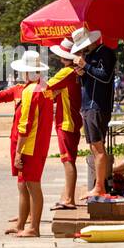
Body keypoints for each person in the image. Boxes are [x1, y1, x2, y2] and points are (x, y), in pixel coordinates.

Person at [0, 58, 53, 238]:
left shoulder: (32, 91)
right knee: (24, 184)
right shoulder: (44, 88)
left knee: (32, 185)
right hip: (35, 143)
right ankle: (22, 224)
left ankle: (33, 228)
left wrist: (18, 152)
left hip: (29, 145)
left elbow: (26, 124)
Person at [66, 26, 115, 199]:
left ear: (93, 40)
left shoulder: (106, 53)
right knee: (94, 148)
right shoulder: (91, 56)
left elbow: (105, 76)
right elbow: (91, 80)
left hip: (97, 106)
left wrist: (85, 66)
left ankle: (99, 187)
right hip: (88, 106)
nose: (83, 48)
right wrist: (82, 73)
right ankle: (98, 185)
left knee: (98, 148)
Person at [46, 36, 84, 211]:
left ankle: (69, 198)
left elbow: (46, 89)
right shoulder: (75, 72)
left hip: (66, 121)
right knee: (70, 159)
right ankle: (66, 196)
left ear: (63, 57)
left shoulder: (66, 72)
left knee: (67, 160)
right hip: (73, 120)